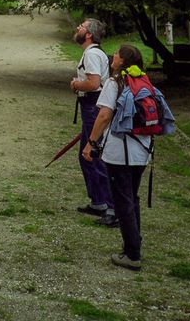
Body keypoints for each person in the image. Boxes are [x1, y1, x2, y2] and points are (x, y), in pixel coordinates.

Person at [82, 44, 152, 270]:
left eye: (117, 55)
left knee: (123, 202)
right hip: (142, 150)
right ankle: (134, 243)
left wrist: (91, 142)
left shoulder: (115, 83)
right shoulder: (143, 81)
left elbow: (104, 115)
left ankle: (132, 253)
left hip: (120, 152)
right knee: (132, 197)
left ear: (122, 61)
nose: (113, 56)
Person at [70, 18, 116, 226]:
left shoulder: (92, 54)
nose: (78, 28)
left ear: (88, 34)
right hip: (90, 106)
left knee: (94, 155)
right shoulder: (93, 53)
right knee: (85, 156)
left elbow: (93, 83)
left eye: (81, 26)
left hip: (92, 106)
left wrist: (76, 84)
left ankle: (109, 206)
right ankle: (98, 201)